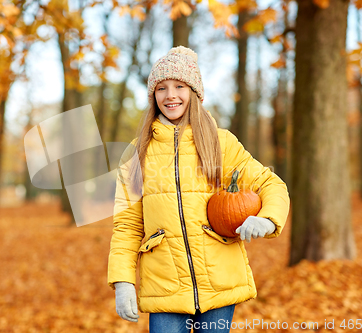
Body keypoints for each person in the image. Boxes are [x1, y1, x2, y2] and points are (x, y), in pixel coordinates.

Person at [107, 46, 290, 333]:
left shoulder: (221, 143)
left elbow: (271, 184)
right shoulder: (137, 153)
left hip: (219, 279)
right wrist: (123, 281)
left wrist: (266, 219)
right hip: (165, 286)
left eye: (180, 86)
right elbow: (128, 225)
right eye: (162, 88)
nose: (170, 95)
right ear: (153, 96)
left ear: (195, 93)